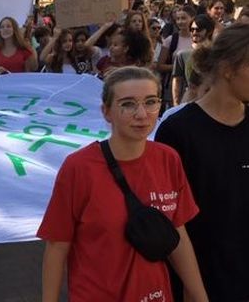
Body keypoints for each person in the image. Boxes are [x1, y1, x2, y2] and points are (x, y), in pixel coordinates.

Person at [38, 66, 208, 302]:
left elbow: (178, 235)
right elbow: (57, 246)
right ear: (106, 112)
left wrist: (199, 296)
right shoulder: (79, 167)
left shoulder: (168, 159)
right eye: (127, 104)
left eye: (151, 102)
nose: (141, 114)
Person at [155, 23, 249, 301]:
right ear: (227, 69)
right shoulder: (178, 131)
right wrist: (192, 288)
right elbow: (168, 218)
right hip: (198, 285)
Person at [171, 15, 214, 106]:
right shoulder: (182, 54)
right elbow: (177, 81)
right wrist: (176, 104)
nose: (194, 32)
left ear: (209, 31)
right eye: (192, 29)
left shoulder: (217, 54)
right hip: (189, 102)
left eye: (198, 30)